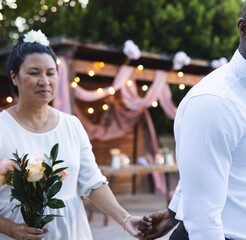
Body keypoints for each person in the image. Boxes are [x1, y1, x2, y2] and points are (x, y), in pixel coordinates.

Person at [139, 0, 246, 239]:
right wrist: (186, 212)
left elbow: (210, 168)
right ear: (244, 29)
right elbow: (202, 221)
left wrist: (175, 211)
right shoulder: (214, 102)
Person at [0, 30, 150, 240]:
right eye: (34, 73)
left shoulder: (72, 125)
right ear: (14, 77)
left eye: (50, 73)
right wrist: (12, 229)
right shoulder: (2, 128)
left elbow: (93, 183)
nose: (44, 81)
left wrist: (125, 219)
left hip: (71, 233)